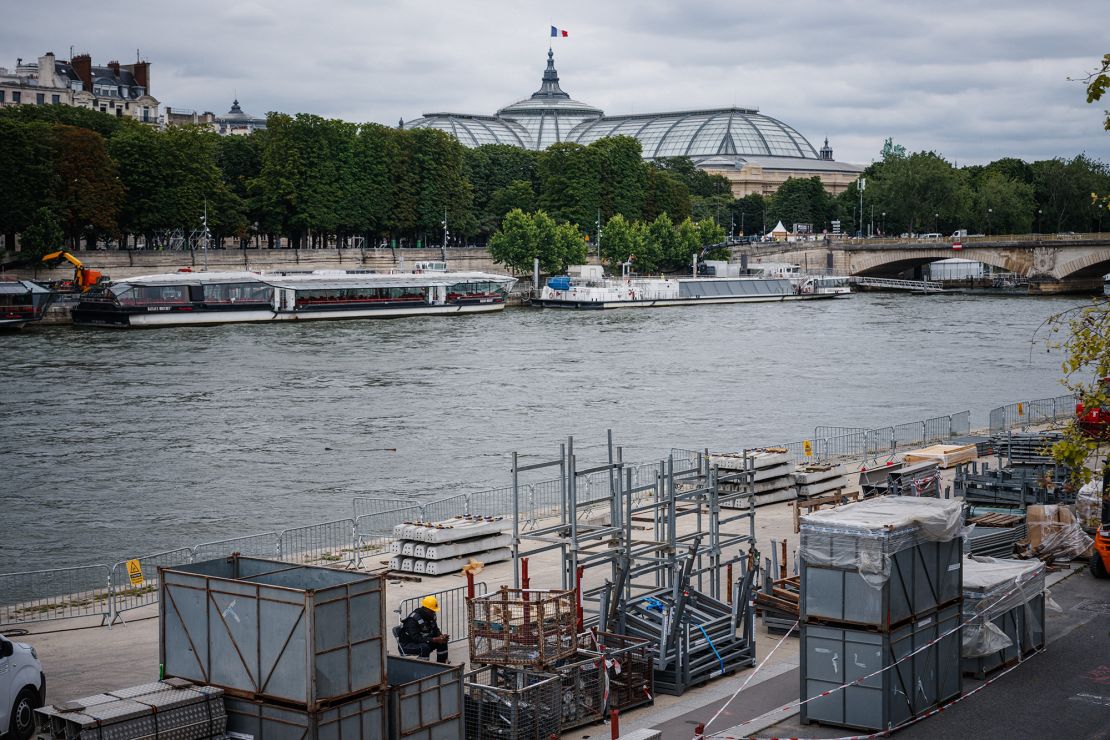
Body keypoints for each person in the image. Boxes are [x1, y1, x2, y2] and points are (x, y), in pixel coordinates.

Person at [399, 595, 449, 663]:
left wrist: (441, 636)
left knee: (442, 642)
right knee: (424, 647)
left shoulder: (431, 616)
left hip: (424, 641)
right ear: (425, 609)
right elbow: (416, 638)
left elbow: (435, 629)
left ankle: (442, 665)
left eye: (434, 611)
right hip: (409, 644)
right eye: (432, 611)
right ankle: (423, 669)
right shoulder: (412, 619)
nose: (434, 613)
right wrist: (434, 639)